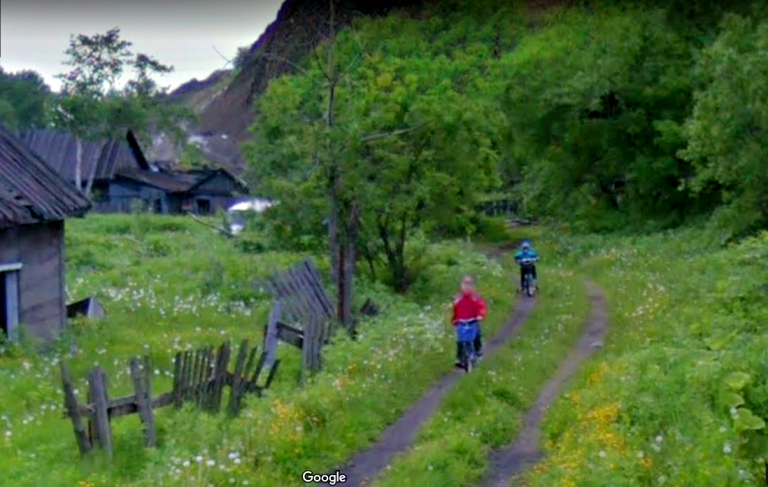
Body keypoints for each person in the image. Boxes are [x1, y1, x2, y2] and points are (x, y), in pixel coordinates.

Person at [452, 275, 488, 366]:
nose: (466, 287)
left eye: (469, 285)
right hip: (462, 322)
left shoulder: (476, 298)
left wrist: (480, 315)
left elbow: (481, 307)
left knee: (477, 335)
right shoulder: (458, 299)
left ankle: (478, 351)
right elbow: (456, 311)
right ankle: (460, 357)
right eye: (464, 284)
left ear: (473, 287)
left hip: (473, 320)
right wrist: (455, 320)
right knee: (460, 340)